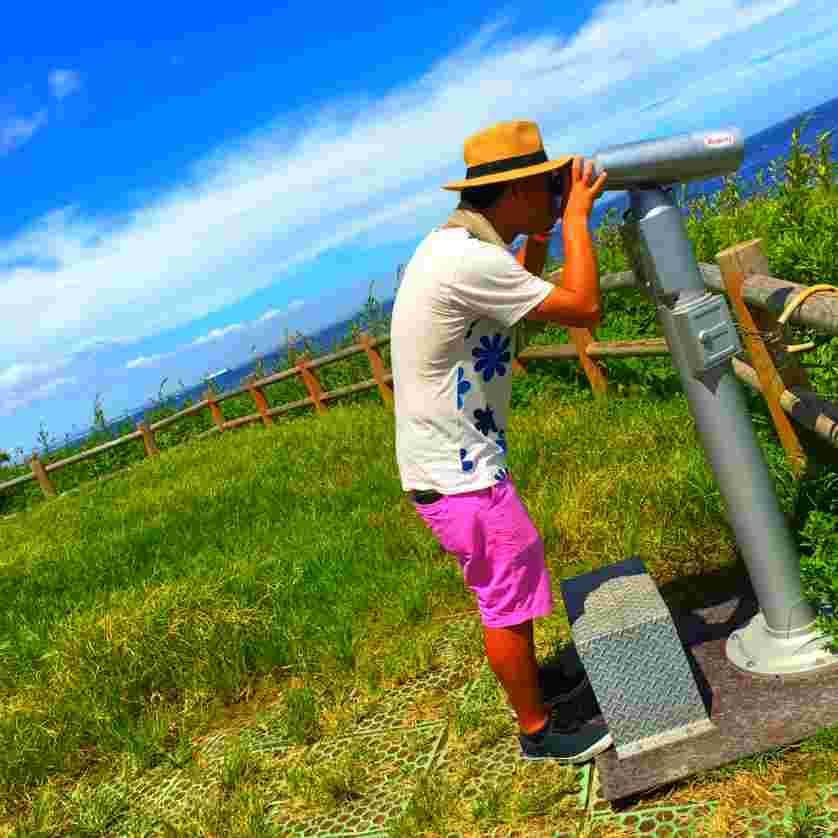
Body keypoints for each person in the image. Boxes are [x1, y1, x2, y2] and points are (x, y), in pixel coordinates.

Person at [389, 120, 612, 763]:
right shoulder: (465, 260)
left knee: (514, 577)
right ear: (512, 191)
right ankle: (538, 732)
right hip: (459, 475)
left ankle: (535, 686)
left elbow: (522, 295)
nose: (551, 191)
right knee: (507, 598)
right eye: (544, 185)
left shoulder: (454, 249)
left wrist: (542, 232)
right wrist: (575, 217)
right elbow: (584, 305)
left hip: (455, 463)